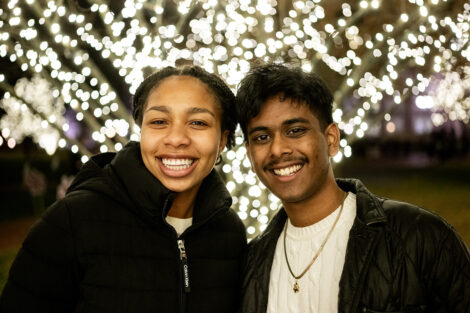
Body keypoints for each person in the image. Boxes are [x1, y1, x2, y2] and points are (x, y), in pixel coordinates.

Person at [0, 66, 247, 312]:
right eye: (159, 121)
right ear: (141, 131)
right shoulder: (74, 220)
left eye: (198, 122)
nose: (176, 138)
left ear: (223, 140)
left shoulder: (229, 233)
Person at [236, 64, 470, 313]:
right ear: (250, 155)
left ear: (331, 140)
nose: (277, 149)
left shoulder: (419, 236)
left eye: (295, 131)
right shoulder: (250, 264)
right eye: (262, 137)